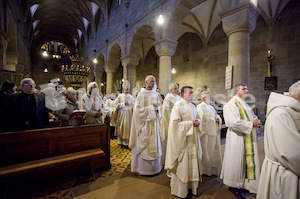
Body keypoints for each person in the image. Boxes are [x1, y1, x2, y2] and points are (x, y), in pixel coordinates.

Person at [257, 80, 300, 199]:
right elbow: (291, 154)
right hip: (284, 175)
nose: (246, 91)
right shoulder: (281, 114)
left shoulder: (289, 111)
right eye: (243, 89)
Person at [221, 84, 261, 199]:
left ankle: (243, 184)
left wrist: (256, 122)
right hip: (237, 139)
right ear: (237, 91)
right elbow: (232, 122)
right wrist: (251, 124)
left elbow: (252, 116)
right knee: (236, 162)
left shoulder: (244, 104)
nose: (247, 90)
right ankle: (234, 186)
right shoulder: (231, 104)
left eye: (247, 88)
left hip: (247, 137)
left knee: (244, 162)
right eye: (244, 89)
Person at [165, 86, 203, 198]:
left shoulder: (192, 106)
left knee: (192, 165)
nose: (192, 94)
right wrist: (191, 123)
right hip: (183, 142)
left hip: (192, 140)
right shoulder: (178, 106)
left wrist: (198, 122)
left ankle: (191, 188)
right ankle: (181, 191)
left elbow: (198, 118)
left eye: (192, 92)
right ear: (183, 94)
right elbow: (175, 125)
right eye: (190, 93)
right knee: (183, 165)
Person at [129, 75, 163, 175]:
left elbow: (160, 107)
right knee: (145, 146)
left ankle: (155, 169)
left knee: (155, 144)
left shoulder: (156, 94)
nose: (153, 83)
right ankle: (143, 170)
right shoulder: (141, 95)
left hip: (154, 124)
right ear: (146, 82)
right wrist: (151, 109)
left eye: (154, 81)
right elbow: (137, 111)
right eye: (151, 81)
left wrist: (157, 108)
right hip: (145, 124)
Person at [197, 91, 222, 176]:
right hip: (207, 133)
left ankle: (213, 171)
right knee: (206, 150)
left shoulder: (211, 107)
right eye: (209, 97)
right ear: (204, 98)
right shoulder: (200, 107)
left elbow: (216, 115)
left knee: (214, 151)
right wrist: (213, 120)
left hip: (214, 131)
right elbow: (202, 120)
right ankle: (205, 171)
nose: (210, 98)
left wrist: (218, 118)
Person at [160, 83, 181, 165]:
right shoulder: (168, 98)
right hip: (169, 122)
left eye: (177, 88)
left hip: (178, 122)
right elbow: (166, 111)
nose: (177, 89)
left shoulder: (178, 97)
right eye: (175, 88)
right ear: (171, 90)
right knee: (168, 140)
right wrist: (172, 121)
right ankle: (166, 160)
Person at [112, 80, 135, 148]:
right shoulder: (120, 96)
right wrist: (122, 104)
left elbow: (134, 106)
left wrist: (131, 106)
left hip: (129, 115)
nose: (126, 91)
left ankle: (127, 143)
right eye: (125, 89)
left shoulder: (131, 97)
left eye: (127, 89)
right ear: (123, 89)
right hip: (122, 114)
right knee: (122, 127)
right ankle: (121, 142)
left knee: (129, 128)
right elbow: (115, 105)